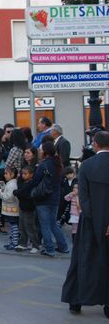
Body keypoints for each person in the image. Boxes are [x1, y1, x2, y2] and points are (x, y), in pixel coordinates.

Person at [61, 130, 109, 318]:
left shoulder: (87, 166)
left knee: (83, 261)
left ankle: (77, 300)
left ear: (95, 144)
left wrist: (92, 218)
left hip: (89, 223)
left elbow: (84, 197)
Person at [33, 141, 69, 257]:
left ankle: (49, 249)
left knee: (45, 224)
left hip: (43, 198)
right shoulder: (58, 164)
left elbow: (35, 181)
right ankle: (63, 246)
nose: (39, 151)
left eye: (41, 149)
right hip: (55, 198)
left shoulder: (43, 165)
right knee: (53, 223)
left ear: (45, 151)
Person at [14, 165, 41, 253]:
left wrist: (19, 193)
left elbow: (24, 194)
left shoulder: (32, 184)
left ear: (31, 175)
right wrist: (19, 193)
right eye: (22, 173)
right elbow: (18, 192)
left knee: (30, 227)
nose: (23, 175)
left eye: (25, 174)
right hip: (22, 207)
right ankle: (23, 243)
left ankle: (35, 245)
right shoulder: (21, 182)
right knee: (22, 226)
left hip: (30, 208)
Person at [0, 167, 20, 250]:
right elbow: (7, 192)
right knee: (13, 226)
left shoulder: (12, 184)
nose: (4, 175)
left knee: (14, 227)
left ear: (12, 174)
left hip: (12, 210)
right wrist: (3, 185)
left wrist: (0, 193)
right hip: (11, 210)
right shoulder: (10, 183)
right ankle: (13, 242)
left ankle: (14, 243)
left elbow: (9, 197)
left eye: (6, 173)